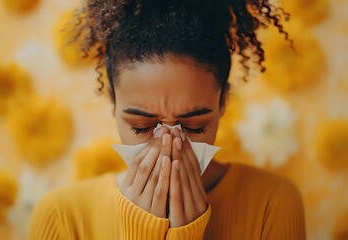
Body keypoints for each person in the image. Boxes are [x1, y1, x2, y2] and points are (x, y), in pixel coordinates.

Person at [28, 0, 306, 239]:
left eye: (194, 126)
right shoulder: (62, 215)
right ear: (113, 103)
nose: (169, 144)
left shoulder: (273, 202)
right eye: (142, 127)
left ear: (222, 102)